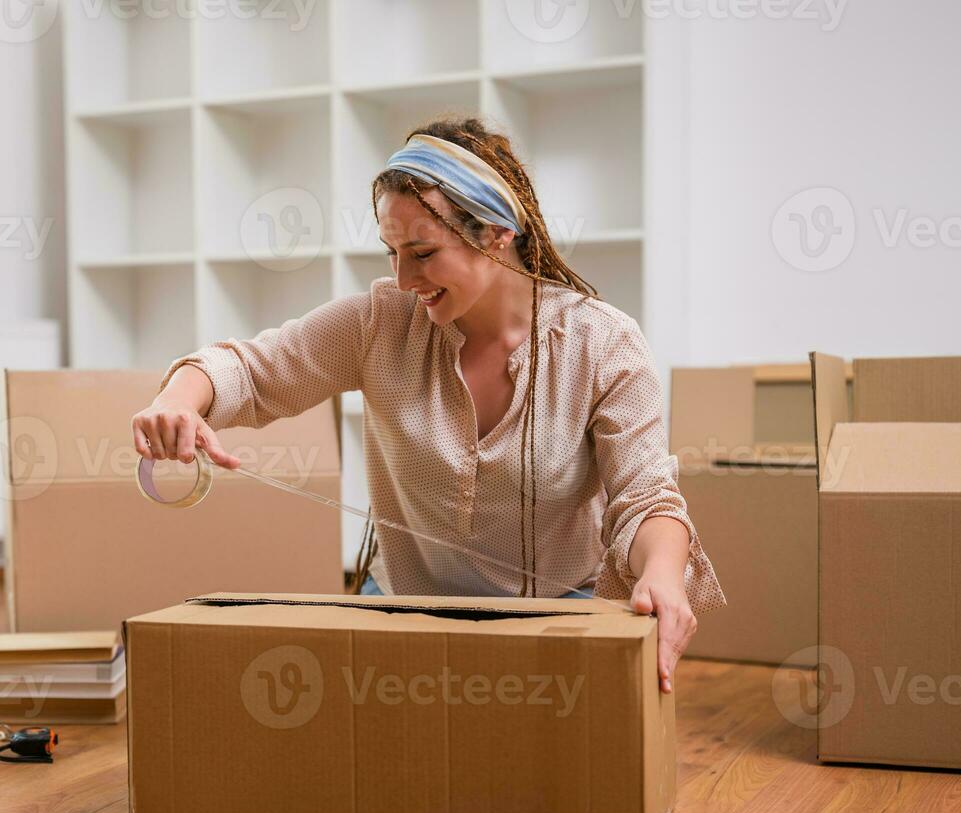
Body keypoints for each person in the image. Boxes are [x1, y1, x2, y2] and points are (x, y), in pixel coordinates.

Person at [132, 116, 724, 692]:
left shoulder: (603, 344)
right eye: (391, 253)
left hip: (558, 618)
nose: (404, 278)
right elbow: (252, 368)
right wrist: (179, 399)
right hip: (400, 613)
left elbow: (645, 495)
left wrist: (663, 575)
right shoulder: (380, 321)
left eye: (422, 252)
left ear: (498, 233)